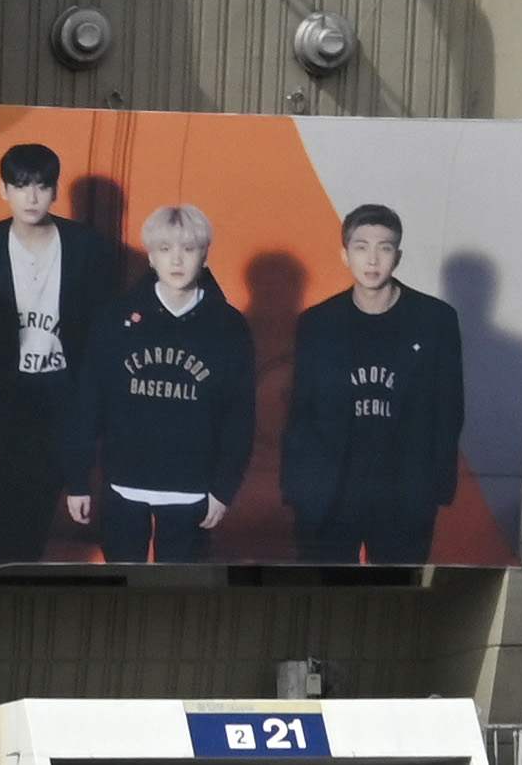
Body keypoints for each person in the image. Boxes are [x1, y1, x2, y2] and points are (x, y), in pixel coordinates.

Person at [280, 203, 468, 564]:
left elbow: (449, 410)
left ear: (398, 256)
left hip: (404, 494)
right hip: (330, 495)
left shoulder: (435, 321)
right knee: (325, 596)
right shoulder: (317, 324)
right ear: (344, 254)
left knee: (398, 596)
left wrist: (434, 488)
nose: (372, 260)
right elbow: (301, 413)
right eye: (361, 247)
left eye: (384, 248)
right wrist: (297, 489)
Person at [74, 204, 255, 562]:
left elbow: (239, 417)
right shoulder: (114, 319)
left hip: (191, 490)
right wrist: (78, 480)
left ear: (204, 256)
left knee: (180, 594)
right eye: (165, 249)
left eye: (188, 250)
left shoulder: (228, 327)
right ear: (151, 257)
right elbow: (88, 403)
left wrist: (224, 488)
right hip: (124, 483)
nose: (177, 261)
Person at [0, 137, 90, 562]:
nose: (31, 196)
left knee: (49, 510)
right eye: (21, 185)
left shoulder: (88, 249)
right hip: (3, 401)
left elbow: (100, 337)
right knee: (1, 518)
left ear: (55, 189)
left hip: (62, 397)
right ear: (3, 190)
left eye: (42, 185)